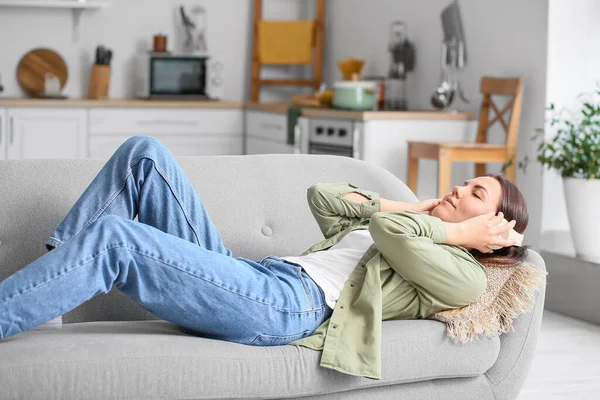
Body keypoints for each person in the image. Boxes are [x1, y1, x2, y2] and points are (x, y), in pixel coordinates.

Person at [0, 135, 527, 361]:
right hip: (258, 277)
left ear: (492, 226)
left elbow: (392, 239)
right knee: (146, 155)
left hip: (289, 308)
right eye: (464, 182)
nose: (458, 189)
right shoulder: (421, 221)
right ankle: (50, 295)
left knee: (118, 239)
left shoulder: (466, 276)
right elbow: (324, 198)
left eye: (473, 193)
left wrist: (452, 232)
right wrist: (424, 206)